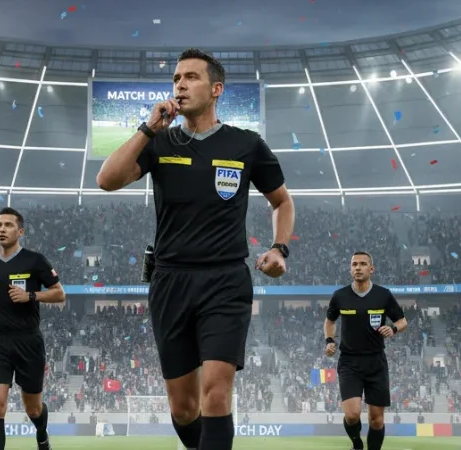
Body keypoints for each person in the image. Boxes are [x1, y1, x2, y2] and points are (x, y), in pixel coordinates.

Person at [95, 48, 294, 450]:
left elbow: (282, 202)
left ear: (216, 89)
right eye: (176, 79)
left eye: (191, 77)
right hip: (170, 281)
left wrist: (279, 248)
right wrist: (148, 128)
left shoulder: (247, 144)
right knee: (185, 409)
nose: (180, 85)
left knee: (216, 394)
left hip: (225, 280)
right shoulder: (159, 141)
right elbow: (106, 180)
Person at [0, 207, 66, 450]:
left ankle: (42, 434)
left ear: (20, 231)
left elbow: (59, 294)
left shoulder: (35, 261)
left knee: (33, 409)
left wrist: (31, 296)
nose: (2, 229)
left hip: (28, 341)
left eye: (8, 225)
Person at [324, 252, 407, 450]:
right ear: (350, 269)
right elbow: (330, 321)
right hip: (349, 362)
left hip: (376, 362)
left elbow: (402, 321)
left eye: (362, 264)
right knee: (352, 415)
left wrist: (393, 329)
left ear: (371, 269)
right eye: (354, 264)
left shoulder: (383, 295)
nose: (358, 268)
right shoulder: (340, 296)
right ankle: (357, 444)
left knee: (376, 420)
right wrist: (329, 340)